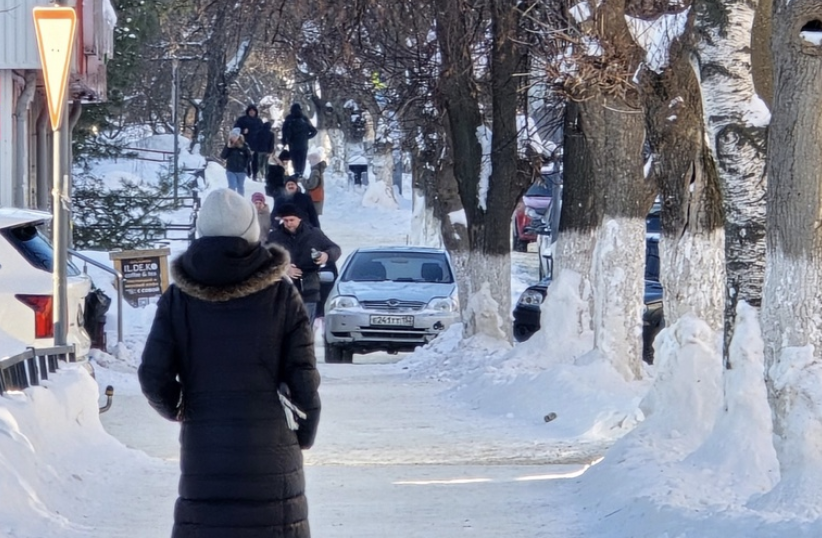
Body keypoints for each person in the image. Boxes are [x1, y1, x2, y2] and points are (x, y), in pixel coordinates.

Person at [138, 188, 321, 538]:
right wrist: (305, 430)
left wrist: (180, 408)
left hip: (204, 451)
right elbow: (303, 375)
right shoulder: (281, 294)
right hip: (271, 453)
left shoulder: (179, 296)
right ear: (252, 231)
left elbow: (153, 373)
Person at [267, 202, 341, 325]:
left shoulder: (314, 234)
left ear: (299, 219)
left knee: (305, 328)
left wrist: (325, 256)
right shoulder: (274, 237)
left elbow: (335, 249)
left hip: (309, 288)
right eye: (285, 220)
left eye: (292, 220)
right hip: (283, 290)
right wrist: (283, 268)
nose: (288, 224)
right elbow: (265, 258)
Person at [281, 103, 317, 177]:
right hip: (303, 144)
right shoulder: (304, 119)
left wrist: (284, 141)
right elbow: (314, 131)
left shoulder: (289, 119)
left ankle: (297, 172)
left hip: (292, 144)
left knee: (295, 159)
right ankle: (300, 173)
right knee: (302, 159)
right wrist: (307, 137)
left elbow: (284, 131)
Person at [233, 104, 264, 179]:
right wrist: (243, 131)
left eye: (253, 111)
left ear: (256, 112)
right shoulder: (242, 120)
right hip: (244, 142)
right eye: (250, 111)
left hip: (256, 143)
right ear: (248, 111)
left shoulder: (259, 121)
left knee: (255, 160)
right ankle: (247, 173)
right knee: (245, 159)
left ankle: (255, 174)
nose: (252, 112)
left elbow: (263, 132)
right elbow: (236, 129)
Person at [220, 129, 252, 195]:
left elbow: (250, 157)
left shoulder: (245, 145)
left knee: (240, 187)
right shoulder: (229, 145)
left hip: (241, 170)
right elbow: (223, 156)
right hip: (231, 170)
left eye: (235, 136)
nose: (233, 137)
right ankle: (231, 201)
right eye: (232, 135)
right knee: (232, 186)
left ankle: (241, 202)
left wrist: (243, 148)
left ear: (238, 136)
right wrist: (228, 147)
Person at [305, 150, 327, 216]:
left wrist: (303, 180)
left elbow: (311, 186)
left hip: (314, 199)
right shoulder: (319, 170)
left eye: (310, 160)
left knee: (312, 219)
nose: (309, 162)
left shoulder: (315, 171)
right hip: (317, 198)